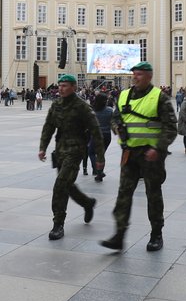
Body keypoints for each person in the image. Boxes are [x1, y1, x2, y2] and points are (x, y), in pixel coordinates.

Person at [100, 61, 178, 252]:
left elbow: (171, 128)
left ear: (149, 76)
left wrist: (158, 149)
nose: (135, 77)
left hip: (151, 155)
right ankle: (119, 234)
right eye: (134, 74)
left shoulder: (159, 97)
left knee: (153, 194)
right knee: (123, 195)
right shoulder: (124, 95)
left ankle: (156, 234)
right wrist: (117, 127)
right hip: (129, 154)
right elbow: (116, 117)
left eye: (140, 74)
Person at [38, 75, 104, 240]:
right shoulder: (56, 105)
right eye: (60, 85)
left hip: (76, 151)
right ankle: (87, 203)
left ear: (74, 87)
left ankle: (58, 224)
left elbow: (96, 131)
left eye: (65, 86)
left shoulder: (82, 107)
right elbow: (48, 127)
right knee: (68, 185)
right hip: (60, 150)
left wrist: (100, 157)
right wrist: (42, 148)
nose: (61, 88)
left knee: (60, 185)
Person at [88, 92, 115, 179]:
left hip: (96, 135)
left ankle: (97, 170)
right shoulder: (110, 110)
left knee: (91, 152)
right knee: (101, 154)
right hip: (107, 135)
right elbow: (113, 122)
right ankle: (100, 173)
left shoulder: (93, 111)